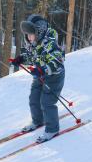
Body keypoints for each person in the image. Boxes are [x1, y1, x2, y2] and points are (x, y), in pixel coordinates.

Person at [10, 14, 65, 143]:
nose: (28, 37)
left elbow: (57, 63)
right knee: (34, 98)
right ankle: (37, 120)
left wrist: (42, 70)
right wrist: (21, 59)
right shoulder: (34, 43)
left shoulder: (50, 44)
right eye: (27, 35)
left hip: (54, 77)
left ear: (39, 32)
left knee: (47, 102)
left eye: (31, 34)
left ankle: (52, 129)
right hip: (40, 75)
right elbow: (32, 57)